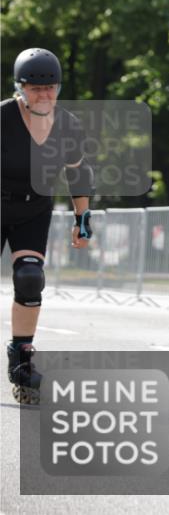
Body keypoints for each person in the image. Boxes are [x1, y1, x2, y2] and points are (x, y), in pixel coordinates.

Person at [2, 48, 94, 404]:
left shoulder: (67, 124)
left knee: (29, 278)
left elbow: (77, 173)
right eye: (35, 88)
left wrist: (82, 220)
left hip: (32, 210)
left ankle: (21, 362)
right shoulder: (3, 118)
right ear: (19, 88)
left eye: (50, 88)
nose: (44, 95)